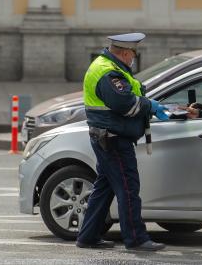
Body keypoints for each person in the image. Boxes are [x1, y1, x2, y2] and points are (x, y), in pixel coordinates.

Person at [76, 33, 168, 251]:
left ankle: (88, 236)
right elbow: (125, 104)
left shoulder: (105, 65)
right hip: (113, 139)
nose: (133, 58)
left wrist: (148, 105)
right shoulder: (109, 72)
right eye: (133, 54)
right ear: (126, 53)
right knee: (128, 188)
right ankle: (136, 239)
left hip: (106, 137)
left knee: (105, 188)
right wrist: (150, 106)